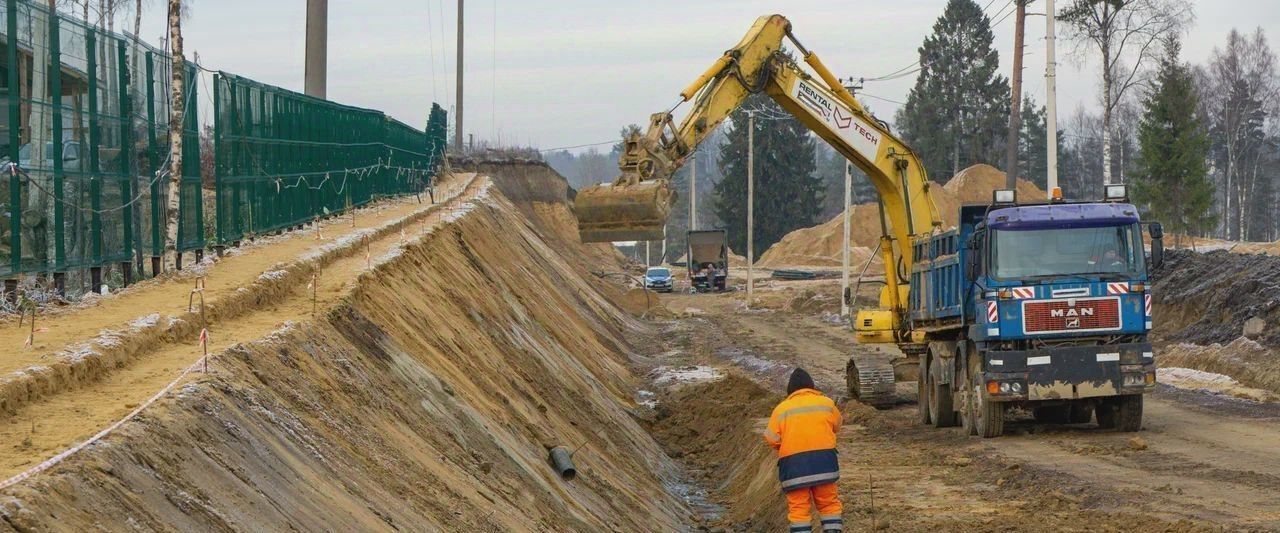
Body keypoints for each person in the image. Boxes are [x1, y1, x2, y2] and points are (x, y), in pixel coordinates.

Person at [764, 368, 843, 532]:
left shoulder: (781, 409)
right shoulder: (827, 403)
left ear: (790, 390)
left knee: (799, 510)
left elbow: (771, 438)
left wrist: (786, 445)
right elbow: (837, 425)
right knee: (829, 504)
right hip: (825, 465)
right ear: (811, 386)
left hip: (794, 469)